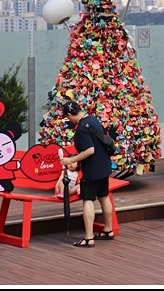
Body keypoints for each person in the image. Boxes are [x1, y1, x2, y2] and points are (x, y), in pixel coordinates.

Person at [59, 100, 115, 247]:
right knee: (103, 196)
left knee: (88, 200)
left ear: (71, 114)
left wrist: (72, 160)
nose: (68, 120)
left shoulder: (81, 129)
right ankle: (108, 229)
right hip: (103, 165)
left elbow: (90, 150)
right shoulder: (92, 119)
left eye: (67, 117)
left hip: (92, 169)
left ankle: (89, 238)